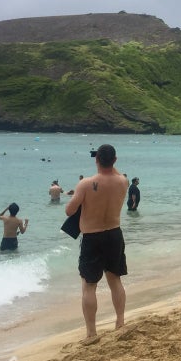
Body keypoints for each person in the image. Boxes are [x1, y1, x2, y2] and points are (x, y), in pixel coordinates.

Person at [64, 144, 129, 340]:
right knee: (115, 280)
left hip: (92, 237)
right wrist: (111, 163)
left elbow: (69, 211)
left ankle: (92, 332)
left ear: (96, 159)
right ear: (115, 160)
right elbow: (115, 173)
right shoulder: (123, 182)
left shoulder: (85, 183)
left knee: (89, 285)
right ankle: (120, 321)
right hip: (114, 234)